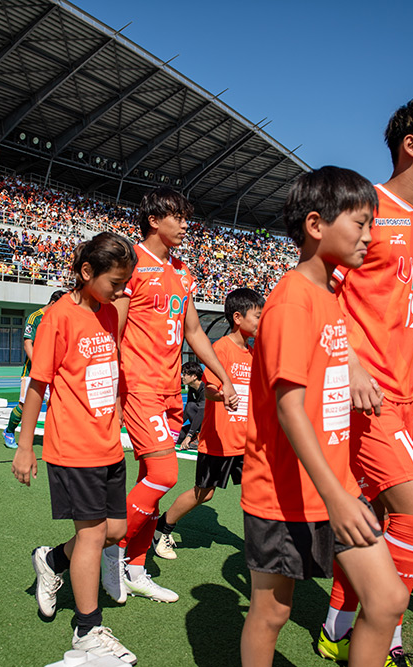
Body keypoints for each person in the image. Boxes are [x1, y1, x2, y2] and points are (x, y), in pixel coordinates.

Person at [320, 93, 413, 667]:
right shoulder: (368, 209)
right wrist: (351, 364)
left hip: (401, 395)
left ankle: (337, 625)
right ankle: (383, 633)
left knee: (379, 519)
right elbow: (319, 290)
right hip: (365, 399)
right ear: (412, 144)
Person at [242, 168, 407, 667]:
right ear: (316, 225)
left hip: (336, 487)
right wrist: (337, 496)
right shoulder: (292, 300)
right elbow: (289, 408)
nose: (369, 236)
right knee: (271, 614)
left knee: (387, 600)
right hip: (285, 494)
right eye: (360, 224)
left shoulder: (328, 295)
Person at [106, 186, 239, 605]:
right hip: (139, 386)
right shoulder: (131, 263)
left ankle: (135, 569)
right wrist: (110, 388)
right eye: (177, 217)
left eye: (186, 217)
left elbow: (194, 331)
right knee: (164, 475)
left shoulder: (182, 271)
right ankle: (108, 550)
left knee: (153, 482)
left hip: (171, 390)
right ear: (154, 220)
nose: (185, 225)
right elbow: (114, 330)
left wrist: (223, 376)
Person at [12, 231, 138, 664]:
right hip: (73, 445)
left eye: (125, 284)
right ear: (86, 272)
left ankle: (51, 560)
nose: (121, 292)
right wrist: (25, 446)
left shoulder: (109, 312)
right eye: (115, 283)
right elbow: (38, 385)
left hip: (108, 445)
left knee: (115, 531)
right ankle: (87, 631)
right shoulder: (58, 317)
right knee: (93, 534)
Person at [153, 287, 263, 560]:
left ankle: (262, 546)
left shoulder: (253, 353)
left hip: (246, 441)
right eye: (257, 316)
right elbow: (209, 389)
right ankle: (162, 528)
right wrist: (223, 395)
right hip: (219, 440)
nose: (260, 322)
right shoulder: (221, 349)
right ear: (238, 317)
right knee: (205, 493)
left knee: (260, 489)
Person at [2, 290, 65, 449]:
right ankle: (9, 432)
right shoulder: (35, 317)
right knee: (24, 405)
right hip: (32, 371)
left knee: (55, 404)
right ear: (53, 303)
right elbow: (27, 344)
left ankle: (55, 438)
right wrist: (39, 364)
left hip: (53, 371)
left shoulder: (59, 319)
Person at [174, 361, 205, 451]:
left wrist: (189, 435)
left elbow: (201, 413)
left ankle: (200, 436)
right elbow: (187, 413)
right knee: (177, 437)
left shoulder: (205, 389)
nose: (182, 376)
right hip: (198, 423)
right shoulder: (192, 389)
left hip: (209, 425)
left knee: (191, 406)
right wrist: (176, 427)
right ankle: (195, 434)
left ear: (194, 376)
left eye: (184, 374)